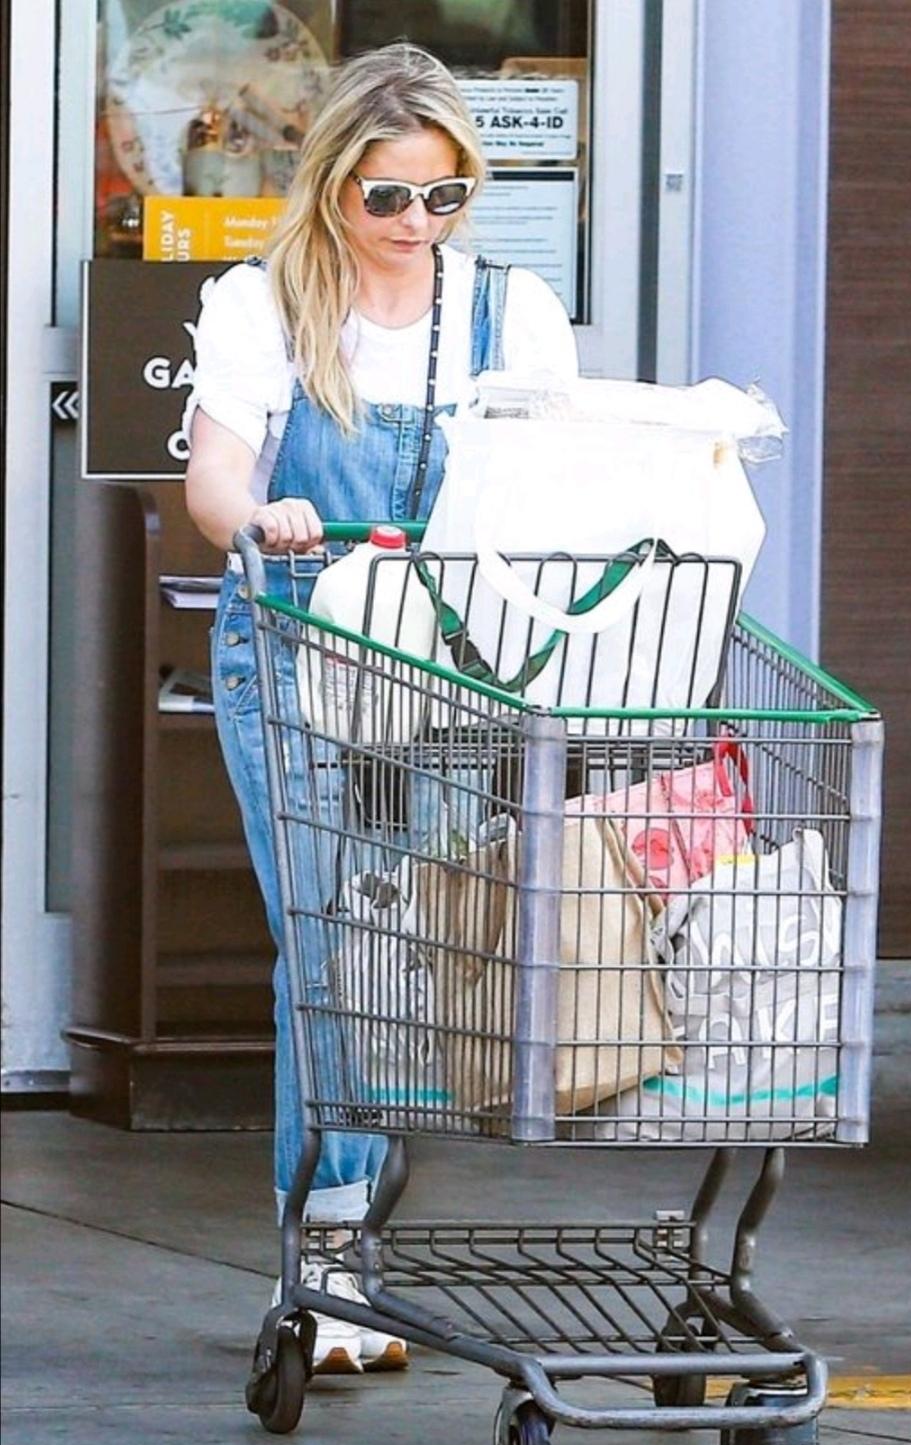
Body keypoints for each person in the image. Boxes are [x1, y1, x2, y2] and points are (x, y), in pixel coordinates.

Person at [183, 43, 578, 1374]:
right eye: (388, 197)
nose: (417, 223)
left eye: (444, 196)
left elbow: (552, 474)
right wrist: (264, 516)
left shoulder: (512, 311)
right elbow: (214, 479)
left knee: (402, 941)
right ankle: (332, 1250)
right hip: (299, 649)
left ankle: (349, 1218)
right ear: (334, 184)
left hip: (448, 660)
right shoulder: (267, 303)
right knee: (326, 938)